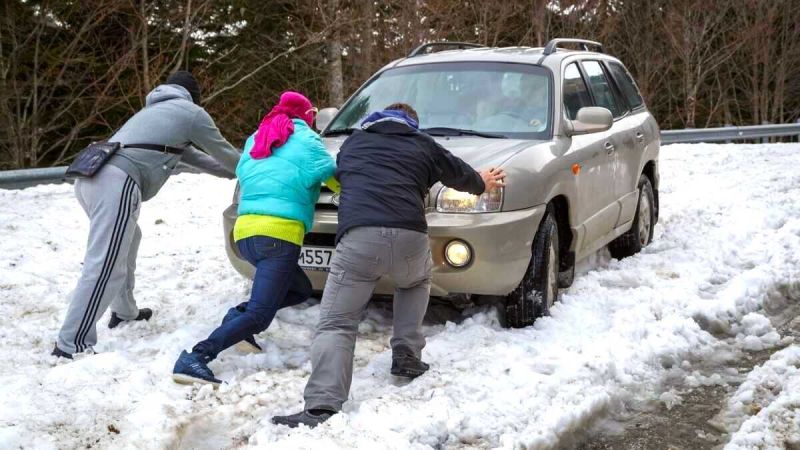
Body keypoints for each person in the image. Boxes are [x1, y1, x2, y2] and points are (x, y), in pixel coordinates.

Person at [272, 103, 506, 428]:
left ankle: (322, 406)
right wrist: (483, 183)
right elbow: (461, 175)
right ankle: (407, 354)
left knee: (337, 323)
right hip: (410, 236)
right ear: (412, 123)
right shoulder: (423, 143)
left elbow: (343, 176)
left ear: (372, 122)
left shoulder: (352, 144)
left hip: (359, 238)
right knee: (413, 282)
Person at [52, 71, 241, 359]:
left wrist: (234, 172)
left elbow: (203, 161)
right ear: (193, 95)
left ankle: (125, 311)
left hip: (91, 177)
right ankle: (71, 343)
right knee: (104, 264)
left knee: (128, 241)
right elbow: (224, 154)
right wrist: (255, 169)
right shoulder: (190, 113)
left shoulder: (154, 114)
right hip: (116, 180)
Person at [172, 91, 338, 385]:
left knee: (299, 288)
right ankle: (196, 357)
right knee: (261, 315)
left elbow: (243, 173)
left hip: (246, 233)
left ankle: (237, 318)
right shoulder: (308, 141)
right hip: (278, 236)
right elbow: (332, 176)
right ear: (307, 117)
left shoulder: (257, 138)